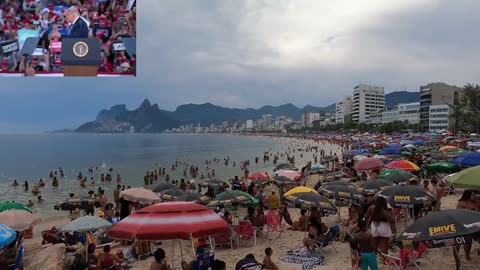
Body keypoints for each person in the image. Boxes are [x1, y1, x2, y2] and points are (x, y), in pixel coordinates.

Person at [365, 197, 395, 262]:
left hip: (374, 226)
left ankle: (373, 259)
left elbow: (366, 217)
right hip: (384, 227)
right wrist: (393, 232)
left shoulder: (371, 208)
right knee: (384, 245)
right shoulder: (384, 211)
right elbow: (391, 221)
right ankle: (384, 260)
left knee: (374, 245)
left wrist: (365, 226)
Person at [455, 190, 479, 262]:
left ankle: (468, 255)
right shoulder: (462, 204)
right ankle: (462, 257)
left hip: (474, 225)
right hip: (464, 225)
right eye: (472, 195)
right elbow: (457, 215)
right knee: (464, 242)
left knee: (469, 242)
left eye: (474, 195)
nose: (474, 196)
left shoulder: (476, 203)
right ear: (468, 196)